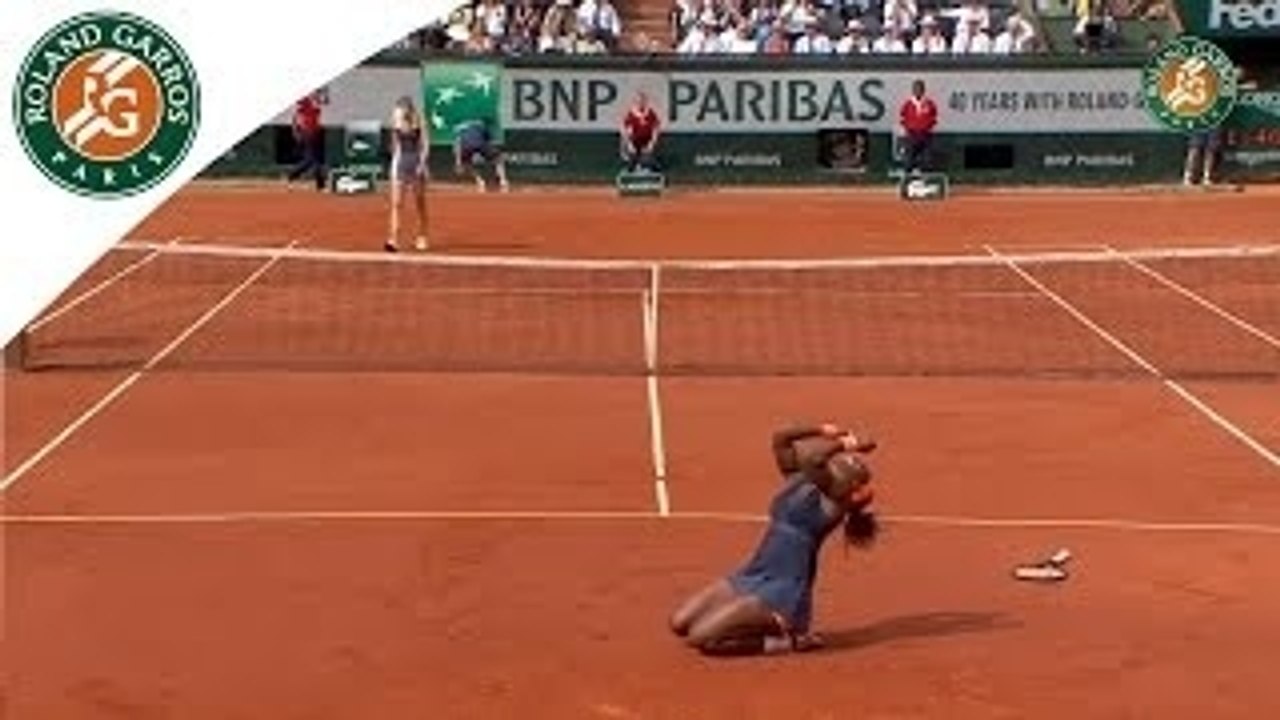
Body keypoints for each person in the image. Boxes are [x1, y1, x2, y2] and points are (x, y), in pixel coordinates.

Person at [670, 422, 880, 656]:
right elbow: (781, 439)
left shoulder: (834, 505)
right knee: (679, 623)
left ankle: (787, 642)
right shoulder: (799, 480)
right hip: (754, 574)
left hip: (782, 592)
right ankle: (758, 623)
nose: (830, 468)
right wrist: (821, 429)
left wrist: (844, 444)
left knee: (703, 639)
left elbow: (813, 459)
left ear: (847, 487)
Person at [385, 96, 430, 253]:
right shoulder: (396, 122)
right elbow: (395, 147)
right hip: (401, 165)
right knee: (397, 204)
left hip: (416, 164)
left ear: (408, 109)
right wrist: (393, 167)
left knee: (419, 204)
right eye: (396, 110)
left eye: (400, 110)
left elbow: (425, 146)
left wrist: (422, 165)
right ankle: (393, 239)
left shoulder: (420, 122)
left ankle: (422, 236)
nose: (397, 113)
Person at [454, 116, 510, 193]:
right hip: (478, 144)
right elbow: (488, 142)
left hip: (466, 146)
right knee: (498, 159)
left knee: (467, 164)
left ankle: (480, 181)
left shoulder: (462, 131)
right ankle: (503, 180)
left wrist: (458, 161)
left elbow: (458, 144)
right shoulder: (482, 127)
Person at [287, 91, 326, 190]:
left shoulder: (316, 102)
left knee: (314, 159)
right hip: (307, 133)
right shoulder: (305, 102)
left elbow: (324, 101)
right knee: (311, 160)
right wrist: (295, 130)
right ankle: (293, 175)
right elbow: (296, 116)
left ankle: (319, 184)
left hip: (315, 133)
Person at [898, 79, 938, 174]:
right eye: (916, 89)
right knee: (909, 161)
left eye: (920, 89)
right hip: (912, 136)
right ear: (913, 90)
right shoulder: (908, 104)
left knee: (927, 161)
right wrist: (908, 128)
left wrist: (928, 127)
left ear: (924, 90)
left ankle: (925, 182)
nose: (918, 91)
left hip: (926, 136)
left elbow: (934, 117)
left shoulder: (929, 103)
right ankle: (908, 182)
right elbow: (902, 118)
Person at [620, 91, 661, 173]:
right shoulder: (630, 114)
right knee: (632, 156)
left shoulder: (651, 113)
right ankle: (633, 166)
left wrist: (651, 144)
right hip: (634, 142)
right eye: (638, 101)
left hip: (647, 142)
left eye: (642, 101)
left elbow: (655, 130)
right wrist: (630, 145)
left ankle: (648, 166)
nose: (640, 103)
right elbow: (626, 132)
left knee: (648, 157)